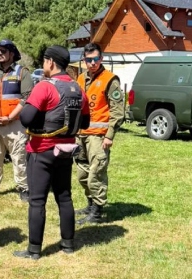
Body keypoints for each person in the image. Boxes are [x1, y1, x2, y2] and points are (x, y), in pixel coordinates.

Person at [15, 45, 88, 260]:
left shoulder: (44, 87)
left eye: (44, 61)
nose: (43, 65)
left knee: (37, 200)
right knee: (64, 198)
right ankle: (68, 245)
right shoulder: (78, 88)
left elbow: (26, 118)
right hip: (66, 151)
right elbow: (85, 121)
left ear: (51, 63)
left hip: (42, 150)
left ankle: (34, 250)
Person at [75, 43, 125, 225]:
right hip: (81, 135)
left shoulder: (110, 80)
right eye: (88, 60)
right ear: (84, 60)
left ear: (101, 59)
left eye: (96, 59)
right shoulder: (80, 79)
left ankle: (97, 211)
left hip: (99, 136)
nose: (92, 63)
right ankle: (89, 204)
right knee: (82, 174)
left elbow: (118, 111)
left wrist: (109, 135)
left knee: (96, 173)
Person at [0, 39, 34, 201]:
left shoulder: (22, 72)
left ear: (12, 54)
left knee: (19, 156)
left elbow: (27, 98)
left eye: (3, 51)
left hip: (15, 124)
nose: (0, 54)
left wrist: (10, 117)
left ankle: (23, 188)